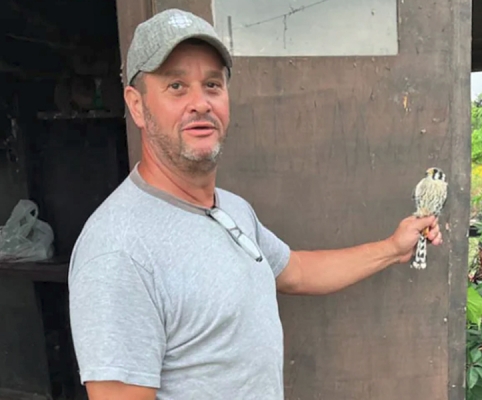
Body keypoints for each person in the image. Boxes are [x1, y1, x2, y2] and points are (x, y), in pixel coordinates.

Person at [67, 8, 443, 400]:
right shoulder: (117, 250)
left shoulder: (231, 209)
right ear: (137, 105)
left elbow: (294, 270)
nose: (200, 103)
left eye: (212, 85)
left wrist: (391, 248)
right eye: (176, 86)